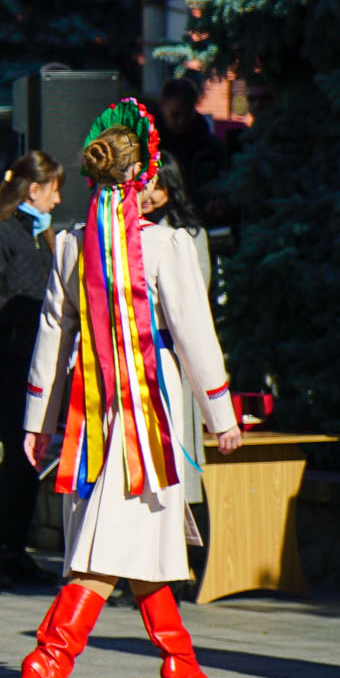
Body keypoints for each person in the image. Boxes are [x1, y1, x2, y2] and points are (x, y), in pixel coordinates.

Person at [20, 100, 243, 678]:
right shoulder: (167, 245)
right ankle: (51, 655)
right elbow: (196, 334)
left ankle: (180, 660)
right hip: (148, 415)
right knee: (112, 545)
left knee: (143, 535)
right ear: (143, 176)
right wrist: (222, 414)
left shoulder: (68, 241)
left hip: (90, 420)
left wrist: (38, 420)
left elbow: (50, 334)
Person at [0, 152, 65, 591]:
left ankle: (15, 551)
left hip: (34, 362)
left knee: (30, 458)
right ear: (34, 189)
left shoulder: (42, 237)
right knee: (16, 453)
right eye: (54, 189)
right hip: (3, 362)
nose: (58, 200)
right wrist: (38, 309)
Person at [141, 160, 213, 507]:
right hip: (133, 355)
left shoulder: (189, 235)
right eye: (144, 185)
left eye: (157, 186)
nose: (148, 195)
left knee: (176, 444)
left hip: (171, 350)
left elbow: (195, 300)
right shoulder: (124, 231)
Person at [155, 77, 227, 219]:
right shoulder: (148, 142)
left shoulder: (208, 145)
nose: (180, 122)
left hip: (198, 215)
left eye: (187, 116)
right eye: (174, 115)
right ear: (162, 107)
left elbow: (221, 182)